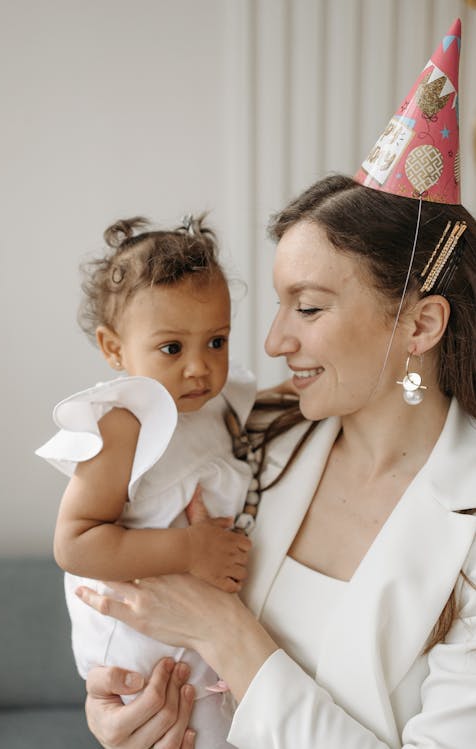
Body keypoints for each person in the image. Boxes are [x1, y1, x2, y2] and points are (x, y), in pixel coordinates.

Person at [76, 19, 476, 749]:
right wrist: (118, 709)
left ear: (419, 326)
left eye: (310, 307)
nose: (272, 342)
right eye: (278, 302)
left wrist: (228, 633)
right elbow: (123, 574)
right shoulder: (253, 432)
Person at [35, 213, 256, 749]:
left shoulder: (219, 408)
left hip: (204, 649)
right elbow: (76, 542)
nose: (200, 368)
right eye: (172, 348)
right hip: (139, 658)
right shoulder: (124, 423)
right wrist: (190, 550)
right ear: (114, 350)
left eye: (217, 342)